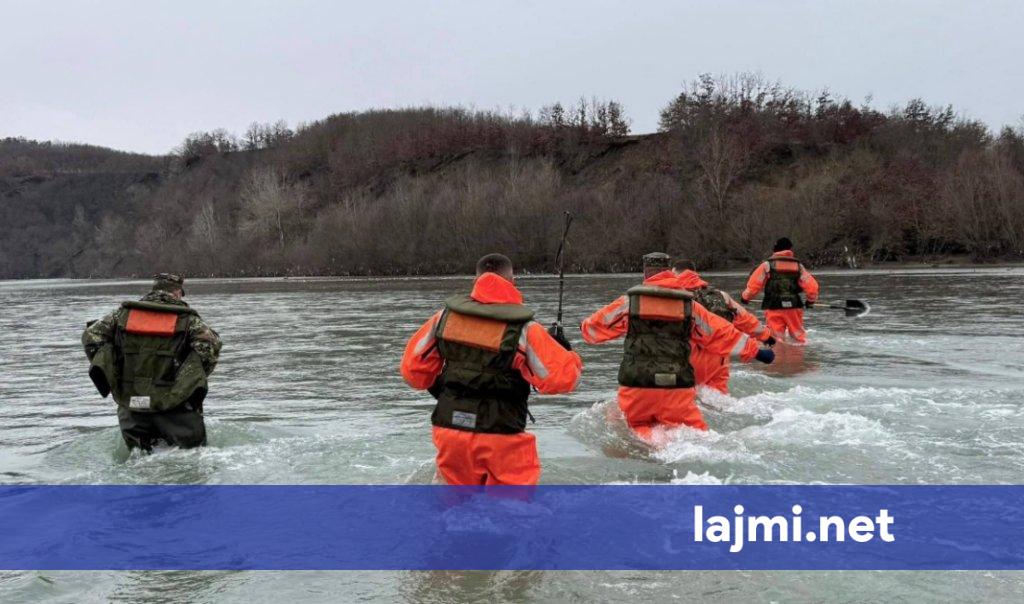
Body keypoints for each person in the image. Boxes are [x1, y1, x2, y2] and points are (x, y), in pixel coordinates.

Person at [400, 253, 582, 486]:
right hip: (501, 435)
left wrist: (445, 387)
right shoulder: (525, 330)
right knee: (509, 513)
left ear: (475, 281)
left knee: (457, 506)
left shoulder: (443, 319)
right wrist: (564, 352)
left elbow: (412, 372)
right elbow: (564, 380)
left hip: (451, 431)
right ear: (512, 281)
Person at [580, 253, 774, 439]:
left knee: (632, 426)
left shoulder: (629, 303)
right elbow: (722, 332)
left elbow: (592, 330)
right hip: (677, 387)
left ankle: (652, 443)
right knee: (698, 437)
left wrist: (582, 326)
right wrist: (756, 350)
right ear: (668, 272)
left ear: (645, 273)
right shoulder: (689, 306)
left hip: (637, 386)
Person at [82, 273, 222, 451]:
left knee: (139, 461)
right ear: (178, 293)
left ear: (154, 290)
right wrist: (188, 379)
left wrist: (115, 371)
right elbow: (211, 345)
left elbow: (91, 337)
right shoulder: (189, 321)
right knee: (188, 461)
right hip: (177, 409)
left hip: (132, 408)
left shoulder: (120, 316)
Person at [672, 259, 775, 395]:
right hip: (719, 358)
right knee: (719, 401)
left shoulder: (673, 298)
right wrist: (767, 336)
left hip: (689, 357)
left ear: (674, 274)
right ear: (695, 274)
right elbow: (746, 320)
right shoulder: (721, 295)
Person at [740, 237, 820, 344]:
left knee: (776, 339)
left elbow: (754, 286)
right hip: (794, 306)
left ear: (775, 249)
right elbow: (812, 287)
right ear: (790, 249)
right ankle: (799, 358)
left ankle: (779, 359)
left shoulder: (767, 265)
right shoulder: (798, 266)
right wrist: (810, 301)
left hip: (774, 306)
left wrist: (745, 298)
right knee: (799, 339)